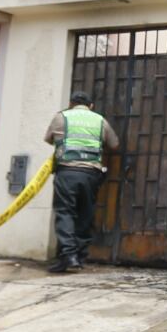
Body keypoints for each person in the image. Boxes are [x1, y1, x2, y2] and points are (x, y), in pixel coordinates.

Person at [43, 91, 119, 273]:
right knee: (85, 213)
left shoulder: (61, 117)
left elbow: (48, 139)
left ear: (71, 103)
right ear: (91, 106)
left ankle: (68, 255)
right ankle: (78, 256)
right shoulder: (100, 120)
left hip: (67, 172)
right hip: (91, 174)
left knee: (65, 212)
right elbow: (114, 144)